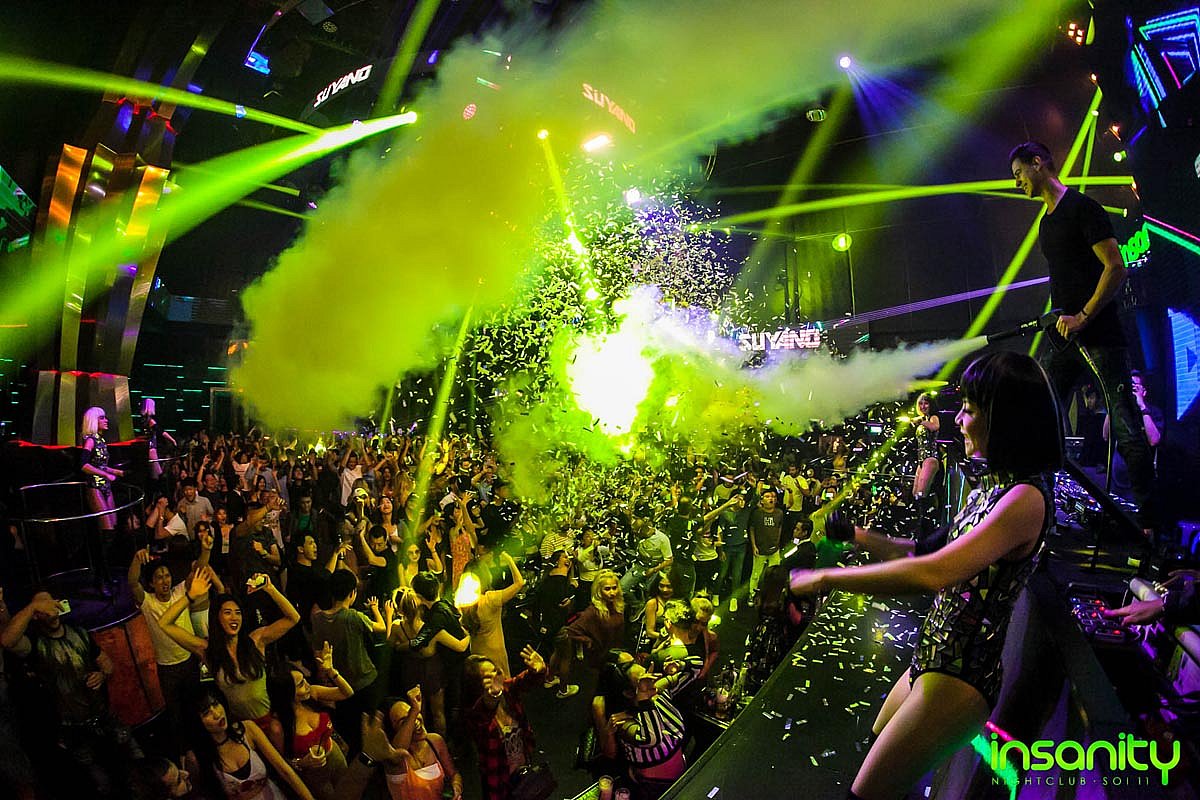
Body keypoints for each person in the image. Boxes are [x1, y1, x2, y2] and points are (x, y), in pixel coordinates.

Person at [788, 351, 1062, 800]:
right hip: (932, 660)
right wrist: (856, 535)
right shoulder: (990, 486)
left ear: (1004, 418)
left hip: (959, 678)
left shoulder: (1025, 499)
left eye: (970, 410)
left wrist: (826, 580)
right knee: (879, 749)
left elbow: (933, 573)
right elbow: (918, 550)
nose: (959, 420)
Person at [1010, 141, 1157, 536]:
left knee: (1126, 426)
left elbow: (1115, 267)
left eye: (1019, 173)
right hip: (1065, 339)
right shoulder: (1046, 223)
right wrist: (1062, 318)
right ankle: (1040, 515)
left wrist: (1083, 316)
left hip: (1100, 334)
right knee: (1041, 417)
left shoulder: (1083, 208)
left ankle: (1150, 528)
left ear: (1038, 163)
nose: (1017, 182)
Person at [2, 590, 143, 797]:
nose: (50, 609)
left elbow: (107, 663)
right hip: (74, 730)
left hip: (104, 717)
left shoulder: (79, 633)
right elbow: (7, 641)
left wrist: (102, 674)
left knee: (135, 767)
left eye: (52, 603)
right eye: (44, 607)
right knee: (101, 783)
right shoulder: (35, 644)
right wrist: (32, 607)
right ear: (37, 615)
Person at [158, 569, 301, 727]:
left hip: (270, 721)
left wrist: (270, 589)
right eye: (227, 613)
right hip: (239, 725)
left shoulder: (256, 640)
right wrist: (190, 596)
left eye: (238, 613)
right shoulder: (208, 650)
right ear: (217, 618)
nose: (234, 617)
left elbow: (293, 618)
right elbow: (164, 624)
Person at [128, 539, 213, 759]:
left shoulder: (179, 592)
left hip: (189, 660)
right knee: (175, 714)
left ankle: (204, 744)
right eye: (159, 577)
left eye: (166, 575)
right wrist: (137, 559)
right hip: (167, 668)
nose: (165, 580)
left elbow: (199, 572)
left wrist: (205, 550)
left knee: (197, 706)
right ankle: (183, 753)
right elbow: (132, 582)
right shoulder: (148, 602)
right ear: (151, 583)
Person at [185, 685, 315, 800]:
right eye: (206, 713)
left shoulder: (247, 729)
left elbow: (284, 770)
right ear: (196, 722)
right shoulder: (196, 758)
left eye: (215, 704)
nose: (217, 714)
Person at [310, 568, 387, 754]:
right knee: (371, 728)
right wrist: (378, 610)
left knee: (352, 732)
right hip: (366, 680)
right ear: (352, 593)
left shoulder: (318, 619)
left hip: (341, 686)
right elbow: (381, 628)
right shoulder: (352, 616)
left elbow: (318, 652)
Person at [608, 654, 704, 799]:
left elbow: (697, 666)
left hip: (680, 774)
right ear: (628, 693)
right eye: (642, 681)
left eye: (647, 673)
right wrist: (644, 699)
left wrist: (678, 665)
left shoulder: (658, 694)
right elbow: (652, 739)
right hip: (653, 787)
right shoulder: (623, 723)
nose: (650, 681)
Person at [264, 646, 353, 800]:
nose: (306, 685)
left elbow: (347, 693)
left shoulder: (312, 692)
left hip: (335, 754)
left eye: (304, 679)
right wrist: (302, 763)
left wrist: (331, 671)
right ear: (286, 692)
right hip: (314, 773)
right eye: (300, 684)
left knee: (351, 791)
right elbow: (283, 763)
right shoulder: (277, 726)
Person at [462, 645, 548, 800]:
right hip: (499, 778)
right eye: (487, 677)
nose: (495, 677)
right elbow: (483, 716)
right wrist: (492, 698)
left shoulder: (506, 691)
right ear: (476, 685)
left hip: (523, 766)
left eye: (494, 671)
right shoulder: (474, 713)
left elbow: (524, 681)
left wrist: (539, 670)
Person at [385, 686, 464, 800]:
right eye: (404, 721)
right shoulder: (395, 759)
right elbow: (396, 753)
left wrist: (456, 787)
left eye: (413, 712)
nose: (415, 721)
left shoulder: (435, 741)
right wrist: (414, 711)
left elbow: (453, 774)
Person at [80, 406, 124, 586]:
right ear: (93, 420)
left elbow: (100, 465)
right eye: (102, 418)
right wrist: (106, 474)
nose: (106, 421)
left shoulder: (101, 440)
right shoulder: (90, 441)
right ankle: (101, 577)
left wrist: (115, 472)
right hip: (95, 487)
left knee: (112, 529)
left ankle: (105, 573)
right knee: (106, 532)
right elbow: (83, 465)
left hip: (106, 486)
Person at [1103, 370, 1163, 500]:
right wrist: (1113, 404)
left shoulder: (1152, 412)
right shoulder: (1120, 411)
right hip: (1117, 481)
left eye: (1135, 387)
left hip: (1141, 483)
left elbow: (1154, 440)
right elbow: (1106, 435)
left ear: (1144, 391)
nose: (1132, 390)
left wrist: (1142, 407)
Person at [747, 487, 785, 602]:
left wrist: (777, 542)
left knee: (774, 574)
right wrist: (754, 546)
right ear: (762, 500)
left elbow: (779, 527)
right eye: (767, 497)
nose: (771, 499)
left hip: (774, 549)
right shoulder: (757, 513)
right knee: (756, 574)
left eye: (772, 497)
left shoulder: (779, 513)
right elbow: (752, 529)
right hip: (760, 548)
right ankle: (752, 594)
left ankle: (771, 596)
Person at [911, 393, 941, 501]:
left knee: (921, 493)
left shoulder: (933, 417)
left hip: (930, 458)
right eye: (920, 403)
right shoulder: (925, 418)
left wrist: (920, 421)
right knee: (915, 493)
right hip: (921, 460)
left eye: (926, 403)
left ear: (931, 404)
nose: (923, 406)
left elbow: (935, 426)